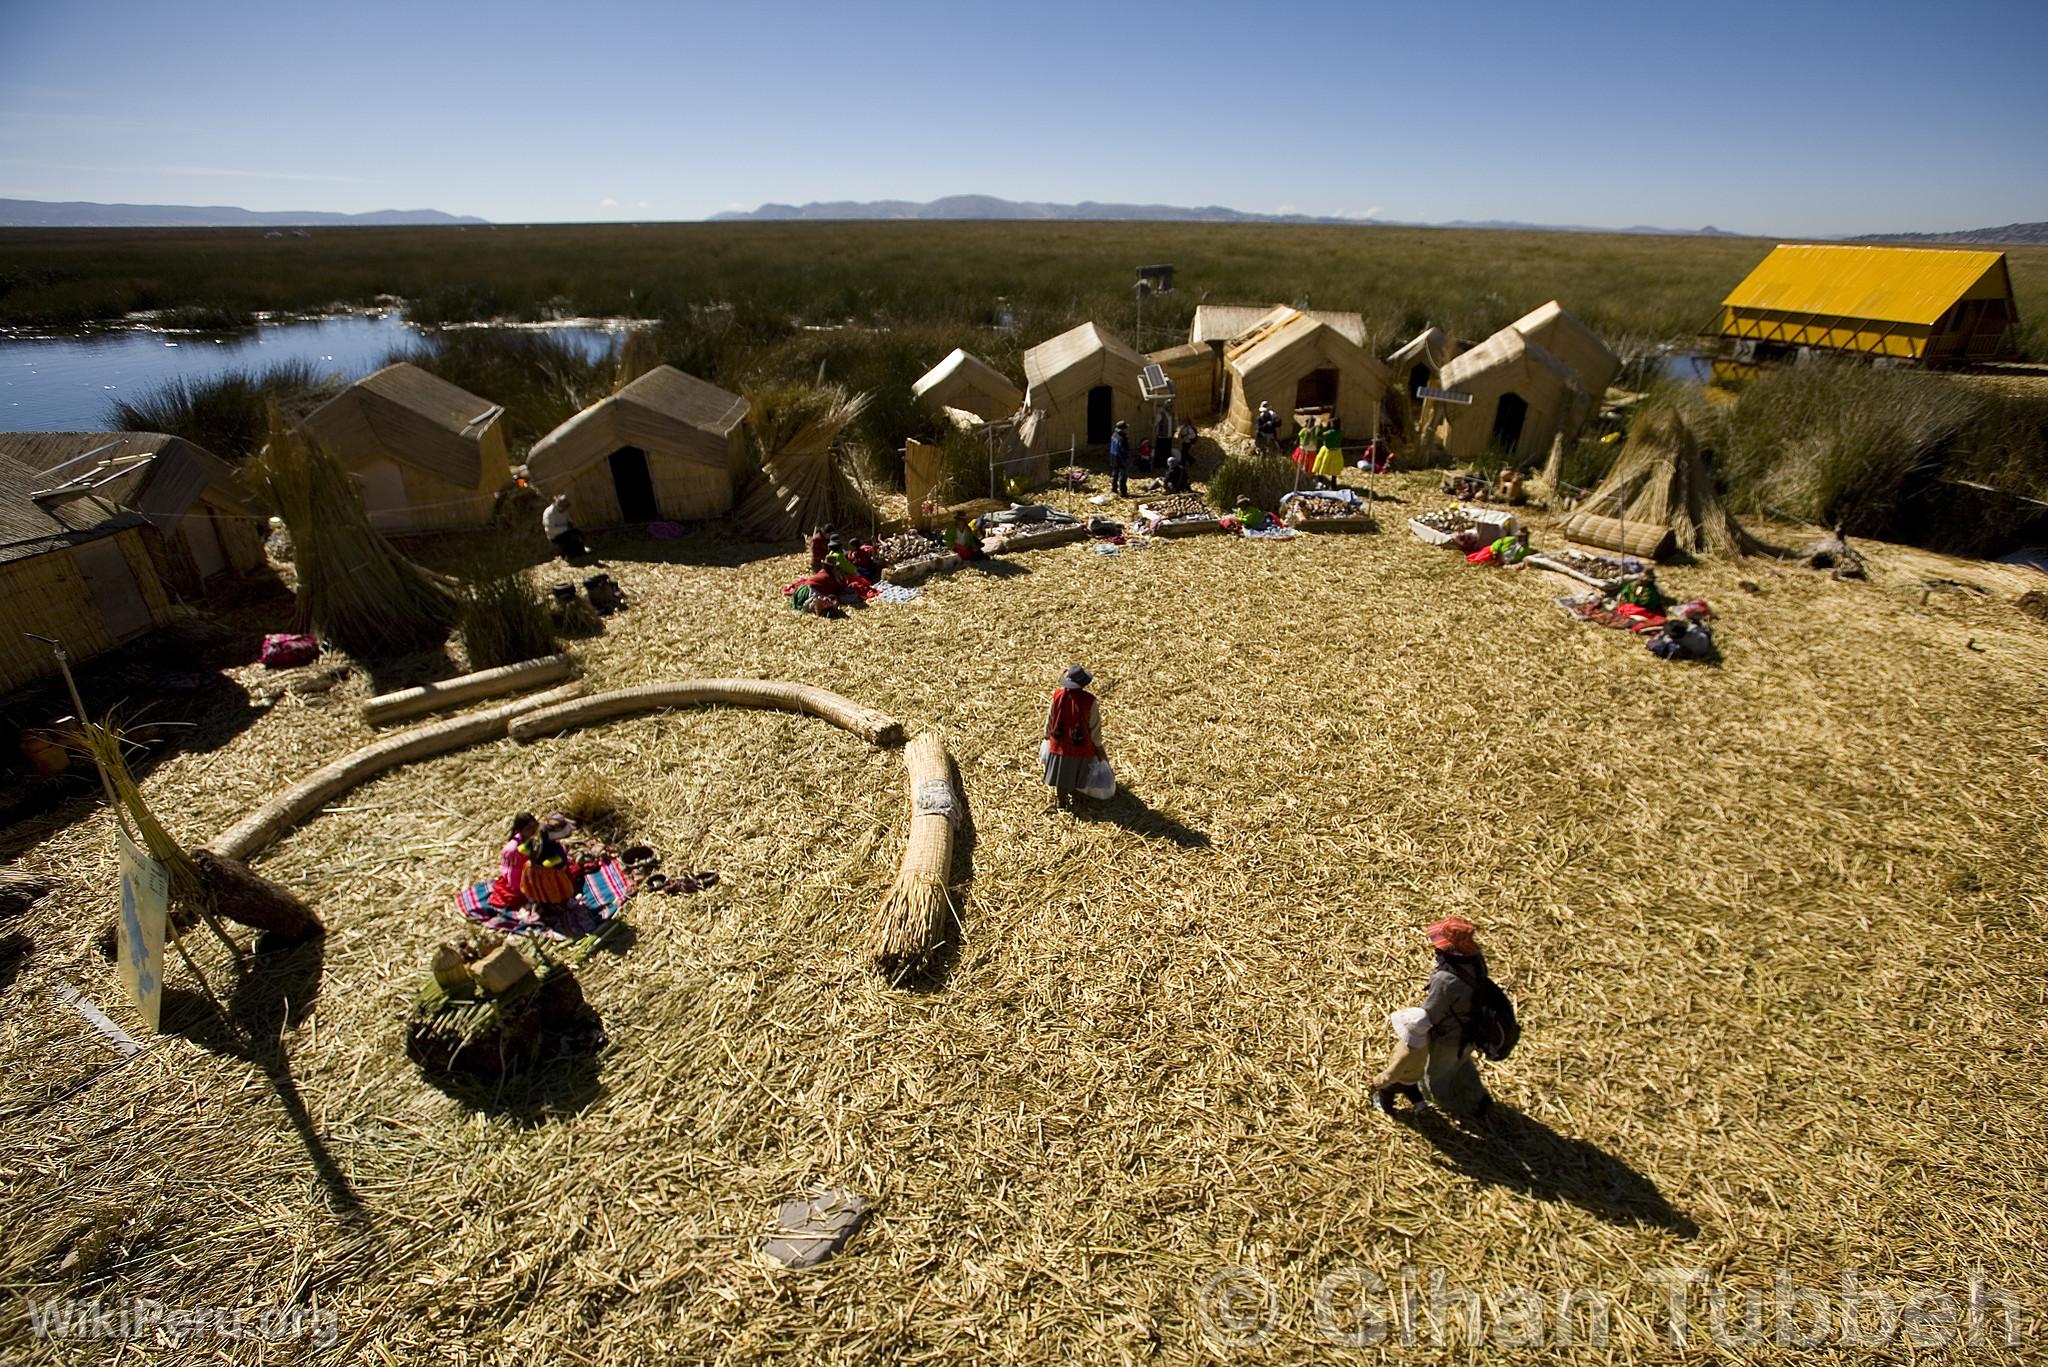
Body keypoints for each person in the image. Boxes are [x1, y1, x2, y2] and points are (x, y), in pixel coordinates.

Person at [1041, 665, 1105, 811]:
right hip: (1081, 746)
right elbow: (1094, 726)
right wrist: (1098, 746)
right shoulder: (1089, 701)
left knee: (1060, 776)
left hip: (1060, 745)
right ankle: (1074, 793)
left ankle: (1061, 802)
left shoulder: (1057, 695)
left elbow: (1050, 717)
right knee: (1076, 772)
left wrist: (1047, 734)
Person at [487, 812, 541, 909]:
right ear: (520, 830)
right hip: (520, 878)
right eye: (529, 828)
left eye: (535, 826)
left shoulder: (532, 838)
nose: (533, 830)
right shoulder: (512, 849)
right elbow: (513, 872)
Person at [543, 495, 587, 559]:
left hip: (566, 530)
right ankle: (568, 555)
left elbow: (567, 518)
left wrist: (570, 523)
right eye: (564, 507)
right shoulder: (549, 514)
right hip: (555, 535)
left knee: (579, 534)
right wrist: (566, 528)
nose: (565, 509)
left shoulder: (563, 510)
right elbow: (551, 530)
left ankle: (581, 551)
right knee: (570, 539)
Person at [1313, 418, 1346, 489]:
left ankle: (1320, 482)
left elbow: (1319, 436)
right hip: (1337, 452)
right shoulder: (1341, 432)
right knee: (1334, 469)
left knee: (1321, 466)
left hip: (1327, 451)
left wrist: (1320, 428)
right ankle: (1333, 485)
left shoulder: (1329, 433)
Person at [1108, 420, 1132, 497]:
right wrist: (1128, 459)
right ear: (1123, 429)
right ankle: (1123, 492)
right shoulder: (1122, 438)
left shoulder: (1114, 435)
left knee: (1115, 474)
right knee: (1123, 476)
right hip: (1121, 458)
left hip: (1113, 457)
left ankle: (1114, 489)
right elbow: (1125, 449)